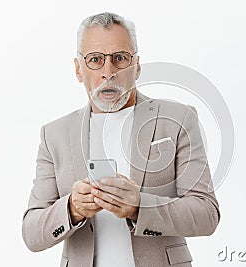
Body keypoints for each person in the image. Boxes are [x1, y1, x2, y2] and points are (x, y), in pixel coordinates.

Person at [22, 12, 220, 267]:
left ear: (136, 66)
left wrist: (139, 206)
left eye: (120, 58)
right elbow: (31, 234)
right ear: (78, 69)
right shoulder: (54, 134)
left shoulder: (178, 119)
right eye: (95, 59)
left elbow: (207, 214)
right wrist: (71, 209)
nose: (108, 72)